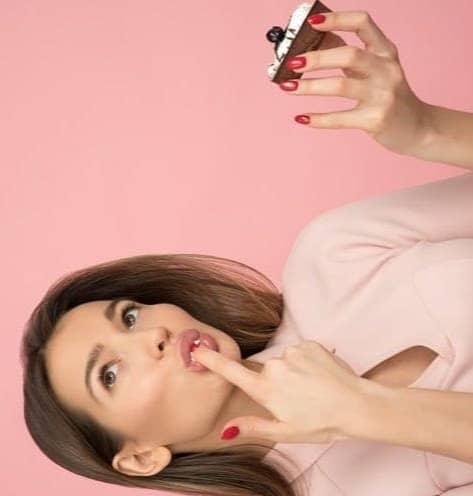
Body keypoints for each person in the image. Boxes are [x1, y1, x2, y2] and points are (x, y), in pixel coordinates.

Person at [20, 9, 473, 496]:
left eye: (129, 317)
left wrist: (426, 129)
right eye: (109, 374)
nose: (149, 336)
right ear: (141, 456)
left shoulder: (333, 254)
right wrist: (362, 410)